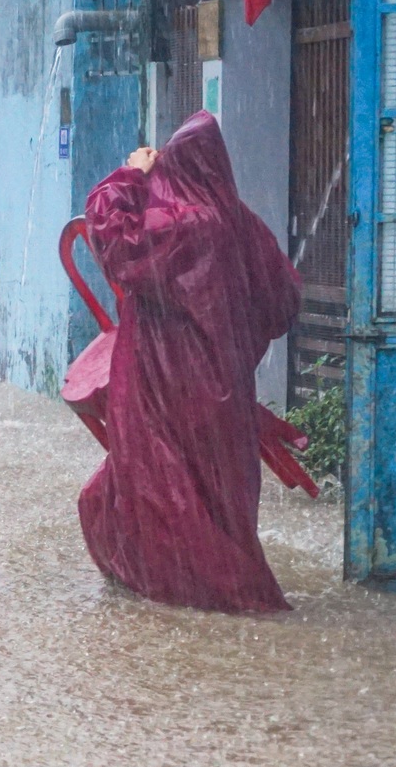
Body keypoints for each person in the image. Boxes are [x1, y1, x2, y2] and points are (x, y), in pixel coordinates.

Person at [78, 111, 302, 613]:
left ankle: (205, 593)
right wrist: (237, 338)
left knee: (161, 487)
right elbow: (284, 297)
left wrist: (131, 174)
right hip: (222, 385)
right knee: (219, 497)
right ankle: (230, 595)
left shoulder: (181, 225)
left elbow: (110, 235)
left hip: (166, 383)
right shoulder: (237, 222)